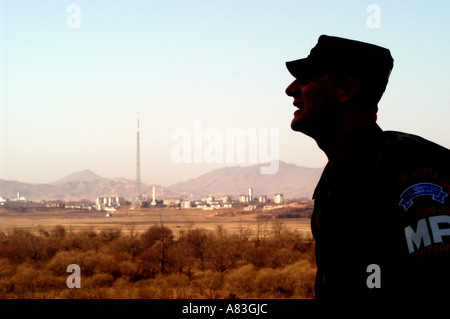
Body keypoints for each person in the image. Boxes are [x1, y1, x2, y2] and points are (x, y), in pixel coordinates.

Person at [285, 35, 450, 302]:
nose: (291, 89)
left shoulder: (410, 166)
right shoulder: (333, 179)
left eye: (306, 79)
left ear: (347, 91)